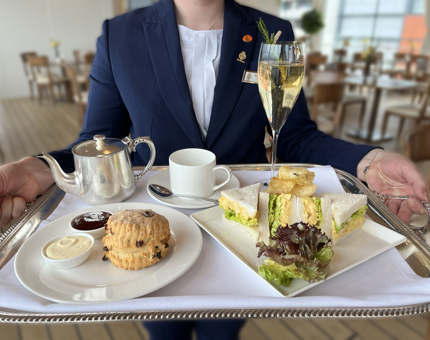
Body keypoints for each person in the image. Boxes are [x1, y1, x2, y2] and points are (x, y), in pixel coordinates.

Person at [0, 0, 428, 338]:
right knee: (163, 329)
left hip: (245, 228)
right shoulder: (121, 35)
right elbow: (99, 140)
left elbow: (292, 136)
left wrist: (367, 160)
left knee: (223, 328)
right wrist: (42, 169)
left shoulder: (272, 33)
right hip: (159, 222)